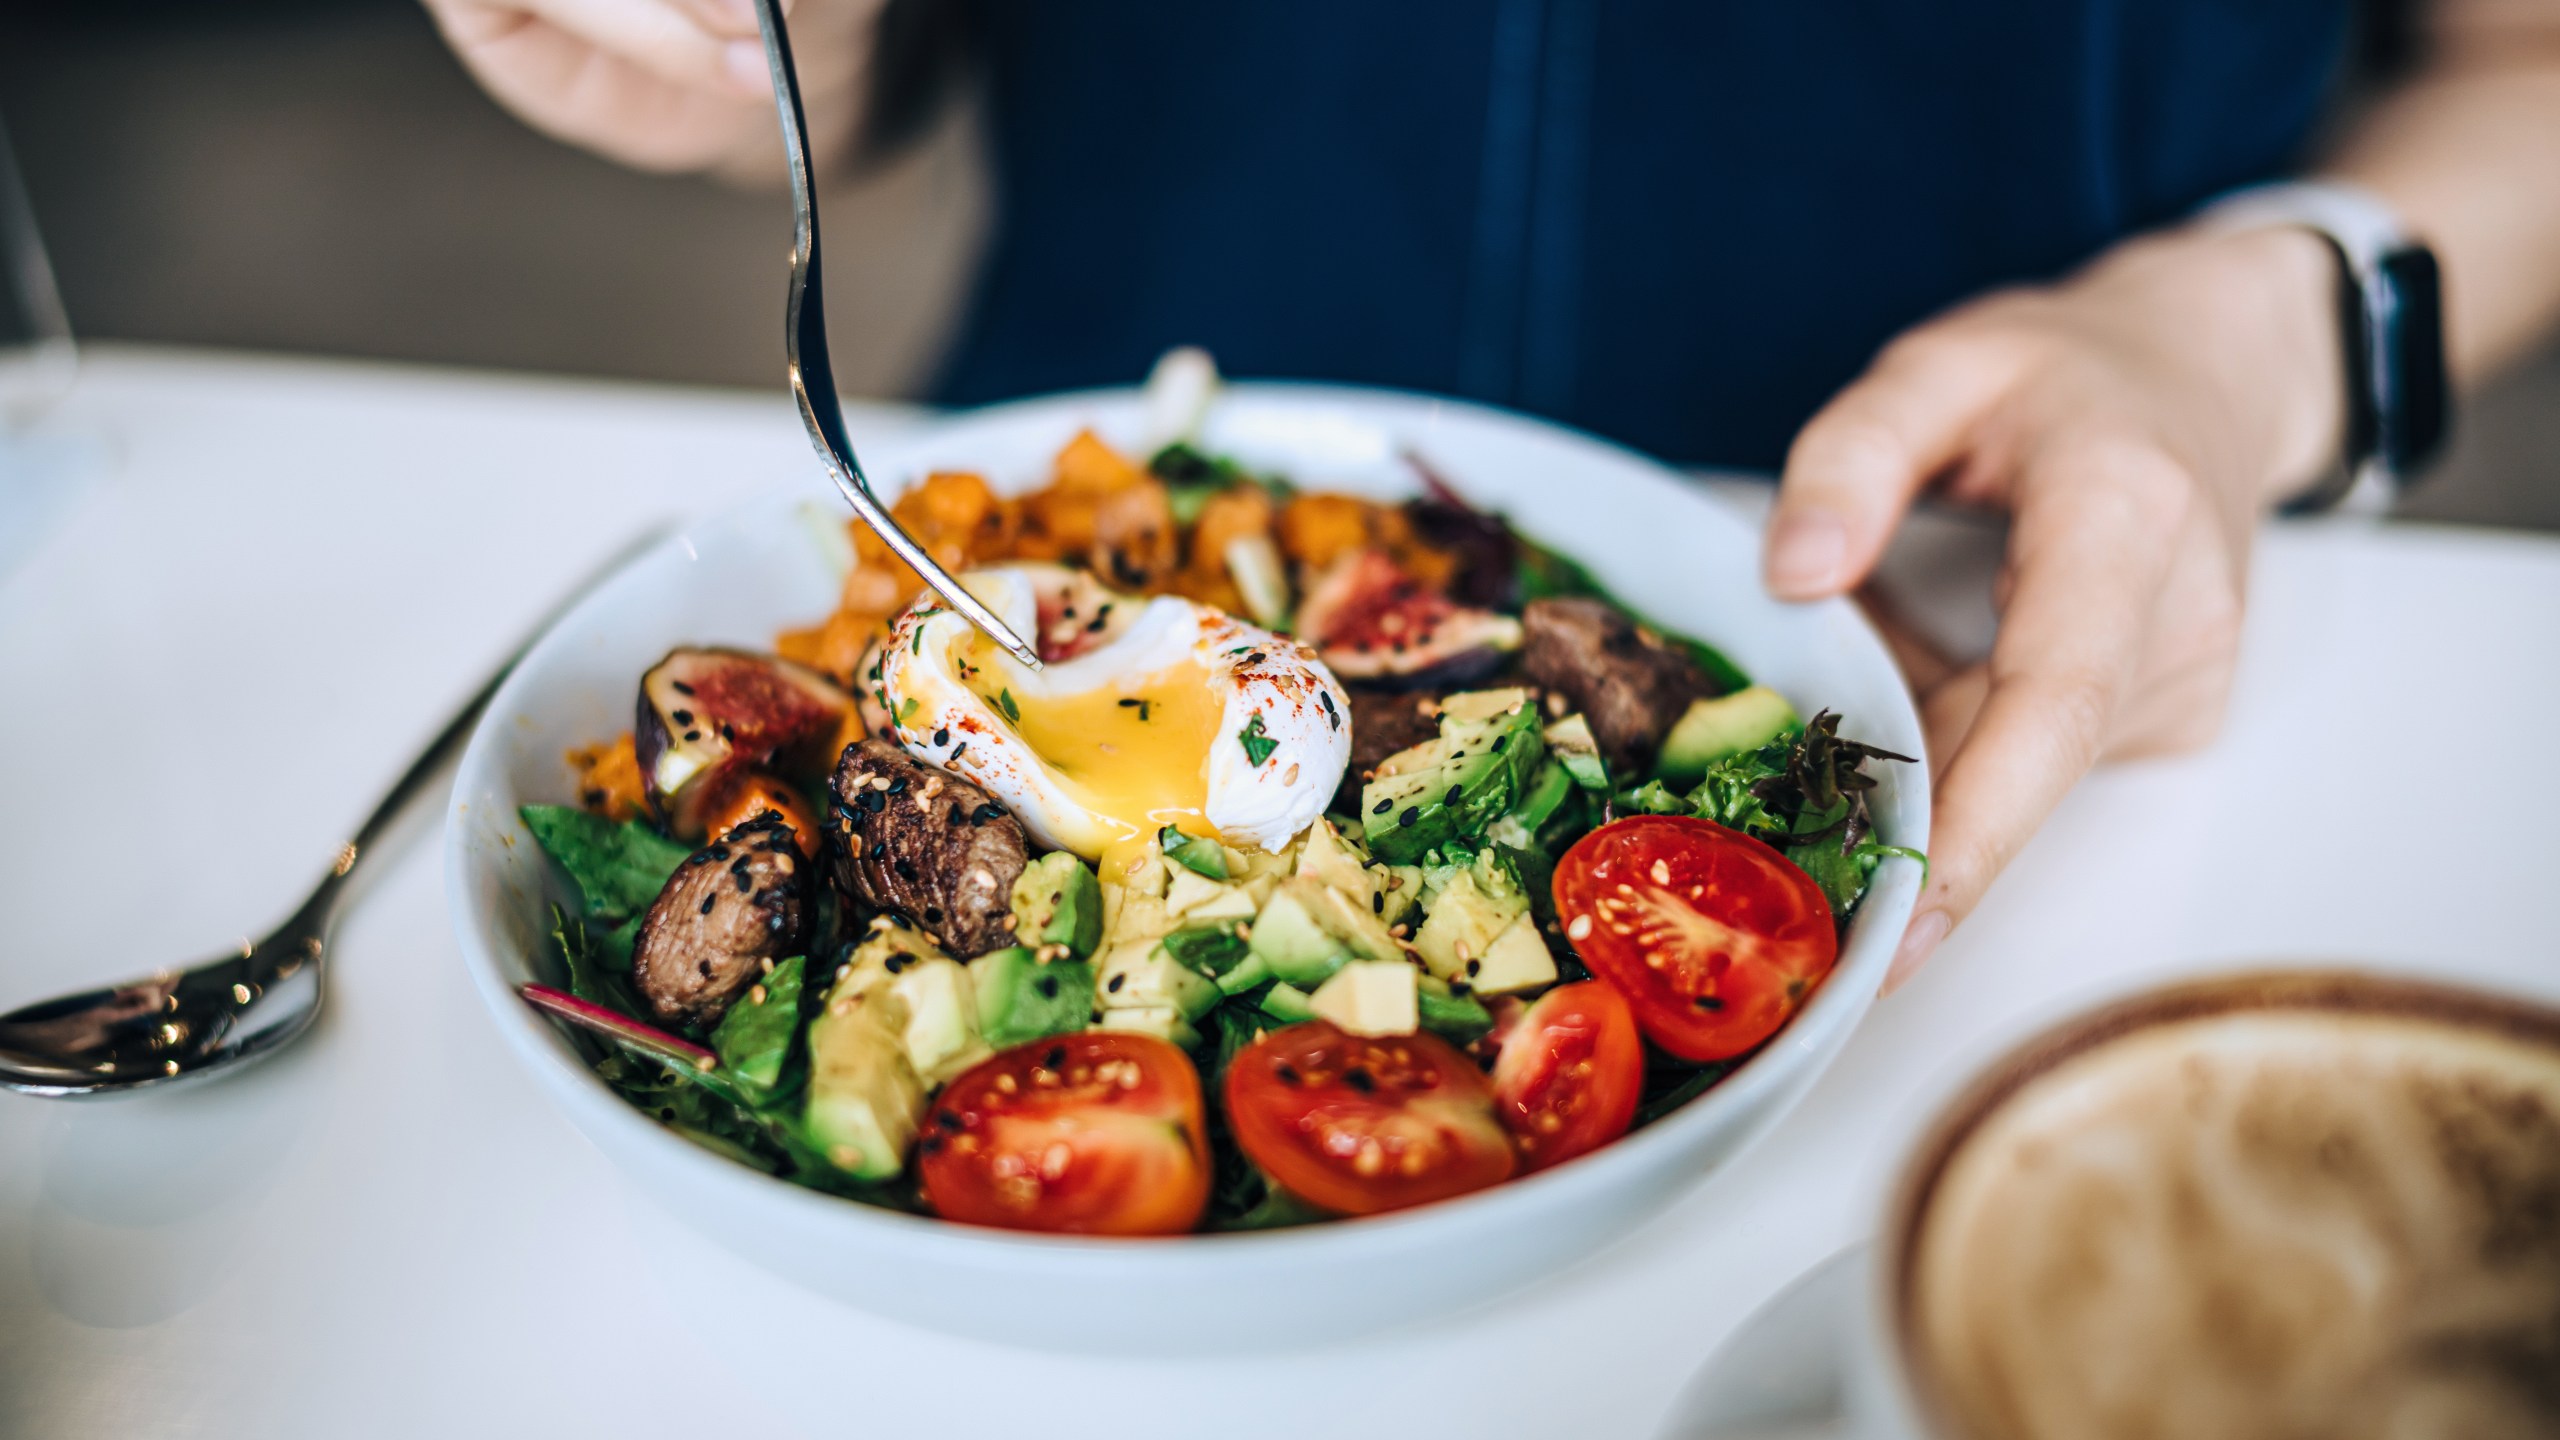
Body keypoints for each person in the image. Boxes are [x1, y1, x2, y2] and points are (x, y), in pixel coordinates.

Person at [423, 0, 2560, 983]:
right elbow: (894, 54)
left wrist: (2254, 334)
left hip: (2011, 682)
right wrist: (746, 47)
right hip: (1034, 524)